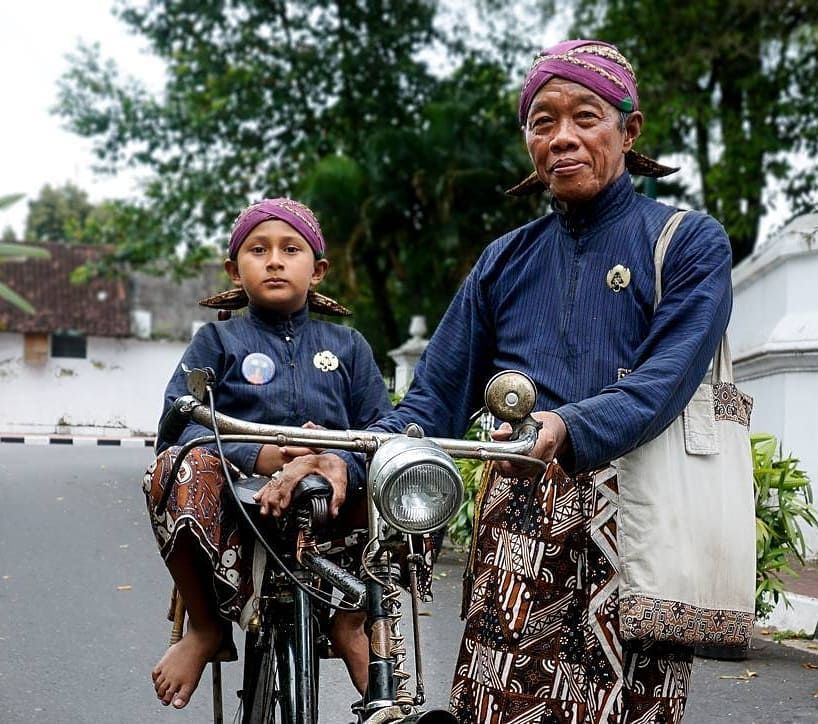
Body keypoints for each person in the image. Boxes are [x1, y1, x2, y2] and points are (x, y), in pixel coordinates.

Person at [277, 40, 733, 722]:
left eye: (587, 116)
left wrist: (568, 424)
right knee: (495, 709)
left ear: (629, 129)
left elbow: (664, 380)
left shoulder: (689, 242)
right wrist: (344, 455)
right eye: (542, 122)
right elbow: (431, 401)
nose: (563, 138)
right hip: (516, 526)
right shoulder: (505, 261)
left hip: (639, 525)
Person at [143, 197, 391, 709]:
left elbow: (380, 430)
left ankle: (351, 625)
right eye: (258, 250)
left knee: (406, 472)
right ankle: (208, 627)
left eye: (290, 249)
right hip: (239, 506)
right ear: (235, 269)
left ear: (317, 270)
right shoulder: (217, 341)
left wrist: (337, 462)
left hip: (336, 504)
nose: (274, 260)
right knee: (172, 467)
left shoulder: (349, 347)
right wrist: (260, 455)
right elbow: (176, 425)